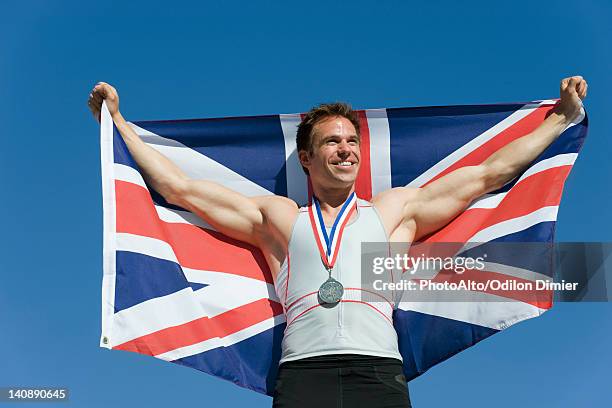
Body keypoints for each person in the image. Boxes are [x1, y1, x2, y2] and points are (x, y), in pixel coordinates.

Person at [88, 77, 587, 408]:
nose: (345, 149)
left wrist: (560, 118)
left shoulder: (393, 211)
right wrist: (120, 124)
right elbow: (181, 190)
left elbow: (486, 174)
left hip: (380, 373)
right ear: (307, 159)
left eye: (351, 142)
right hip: (304, 374)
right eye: (331, 141)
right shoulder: (279, 219)